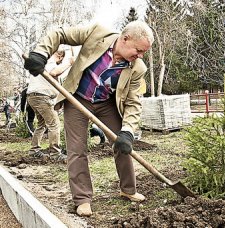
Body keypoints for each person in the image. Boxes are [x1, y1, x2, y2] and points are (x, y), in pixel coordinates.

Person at [24, 21, 154, 217]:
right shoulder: (97, 33)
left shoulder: (137, 68)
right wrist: (41, 53)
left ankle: (128, 189)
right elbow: (60, 33)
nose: (140, 55)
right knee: (77, 150)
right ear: (125, 39)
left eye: (143, 52)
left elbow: (133, 102)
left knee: (123, 144)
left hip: (106, 103)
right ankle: (82, 199)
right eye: (139, 50)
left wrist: (128, 130)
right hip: (77, 98)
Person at [26, 49, 73, 162]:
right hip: (41, 97)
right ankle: (55, 154)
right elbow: (54, 72)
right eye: (61, 60)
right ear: (60, 56)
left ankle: (34, 150)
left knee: (42, 124)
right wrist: (69, 63)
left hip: (34, 96)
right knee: (54, 124)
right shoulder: (50, 61)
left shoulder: (42, 62)